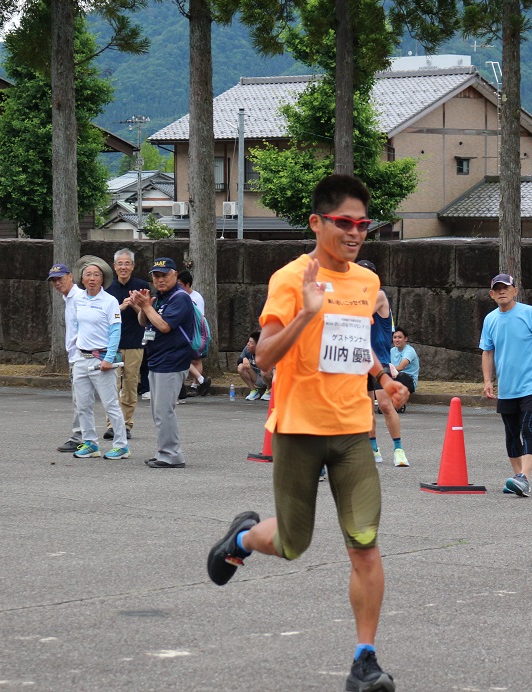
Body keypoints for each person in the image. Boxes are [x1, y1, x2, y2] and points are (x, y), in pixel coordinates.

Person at [206, 174, 407, 692]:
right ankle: (244, 538)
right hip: (298, 429)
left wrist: (385, 378)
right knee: (294, 543)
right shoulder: (291, 278)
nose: (355, 232)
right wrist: (307, 313)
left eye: (363, 224)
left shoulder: (367, 283)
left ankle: (365, 660)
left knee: (364, 543)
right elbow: (265, 356)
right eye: (344, 223)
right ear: (318, 223)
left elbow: (357, 347)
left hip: (352, 431)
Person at [480, 273, 532, 498]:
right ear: (492, 294)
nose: (502, 292)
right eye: (498, 289)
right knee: (511, 434)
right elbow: (487, 351)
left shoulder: (529, 313)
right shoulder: (490, 319)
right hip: (506, 388)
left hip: (531, 386)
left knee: (527, 428)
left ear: (515, 291)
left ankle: (523, 477)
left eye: (506, 288)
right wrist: (487, 381)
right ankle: (518, 478)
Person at [129, 257, 195, 469]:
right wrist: (141, 306)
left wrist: (147, 306)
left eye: (164, 275)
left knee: (164, 410)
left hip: (173, 360)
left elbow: (165, 326)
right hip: (157, 359)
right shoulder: (159, 299)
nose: (160, 279)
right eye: (156, 276)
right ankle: (164, 451)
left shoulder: (180, 298)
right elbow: (145, 322)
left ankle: (172, 455)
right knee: (158, 411)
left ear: (175, 274)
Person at [70, 260, 129, 460]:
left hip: (102, 359)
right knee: (82, 404)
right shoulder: (79, 300)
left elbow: (115, 330)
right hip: (81, 358)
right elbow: (78, 327)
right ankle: (90, 443)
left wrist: (109, 358)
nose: (92, 279)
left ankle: (121, 445)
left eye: (96, 275)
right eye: (88, 274)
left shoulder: (109, 301)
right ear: (82, 278)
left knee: (110, 403)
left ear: (103, 279)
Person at [357, 259, 409, 468]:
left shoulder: (378, 295)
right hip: (361, 359)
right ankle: (373, 447)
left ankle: (398, 449)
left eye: (368, 274)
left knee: (386, 406)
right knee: (366, 409)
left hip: (379, 361)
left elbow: (356, 311)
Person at [104, 249, 150, 442]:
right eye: (119, 264)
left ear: (133, 266)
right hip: (112, 345)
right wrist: (120, 307)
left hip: (134, 344)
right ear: (114, 267)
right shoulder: (107, 289)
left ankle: (126, 424)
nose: (123, 267)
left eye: (127, 263)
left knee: (130, 385)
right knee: (111, 386)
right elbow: (102, 318)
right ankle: (111, 424)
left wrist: (135, 305)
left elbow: (148, 313)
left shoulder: (140, 286)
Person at [49, 264, 87, 453]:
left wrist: (78, 348)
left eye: (60, 278)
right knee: (82, 399)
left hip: (81, 356)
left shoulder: (79, 298)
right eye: (54, 280)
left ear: (70, 277)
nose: (57, 283)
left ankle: (80, 437)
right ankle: (84, 437)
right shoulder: (69, 298)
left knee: (81, 399)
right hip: (77, 355)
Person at [176, 270, 212, 398]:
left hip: (195, 331)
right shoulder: (178, 295)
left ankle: (196, 384)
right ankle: (201, 380)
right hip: (184, 331)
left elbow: (199, 317)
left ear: (187, 284)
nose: (178, 286)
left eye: (180, 284)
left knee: (196, 359)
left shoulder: (196, 298)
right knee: (186, 357)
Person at [237, 331, 273, 401]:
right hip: (257, 377)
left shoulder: (267, 351)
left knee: (264, 370)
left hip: (268, 378)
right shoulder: (247, 349)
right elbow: (238, 361)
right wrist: (244, 359)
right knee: (241, 367)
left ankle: (269, 391)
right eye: (248, 341)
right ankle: (254, 391)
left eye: (251, 342)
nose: (248, 344)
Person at [389, 328, 419, 411]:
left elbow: (401, 367)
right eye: (395, 337)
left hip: (409, 381)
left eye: (399, 337)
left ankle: (397, 402)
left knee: (400, 375)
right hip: (394, 377)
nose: (397, 340)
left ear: (406, 339)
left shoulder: (409, 351)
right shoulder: (392, 350)